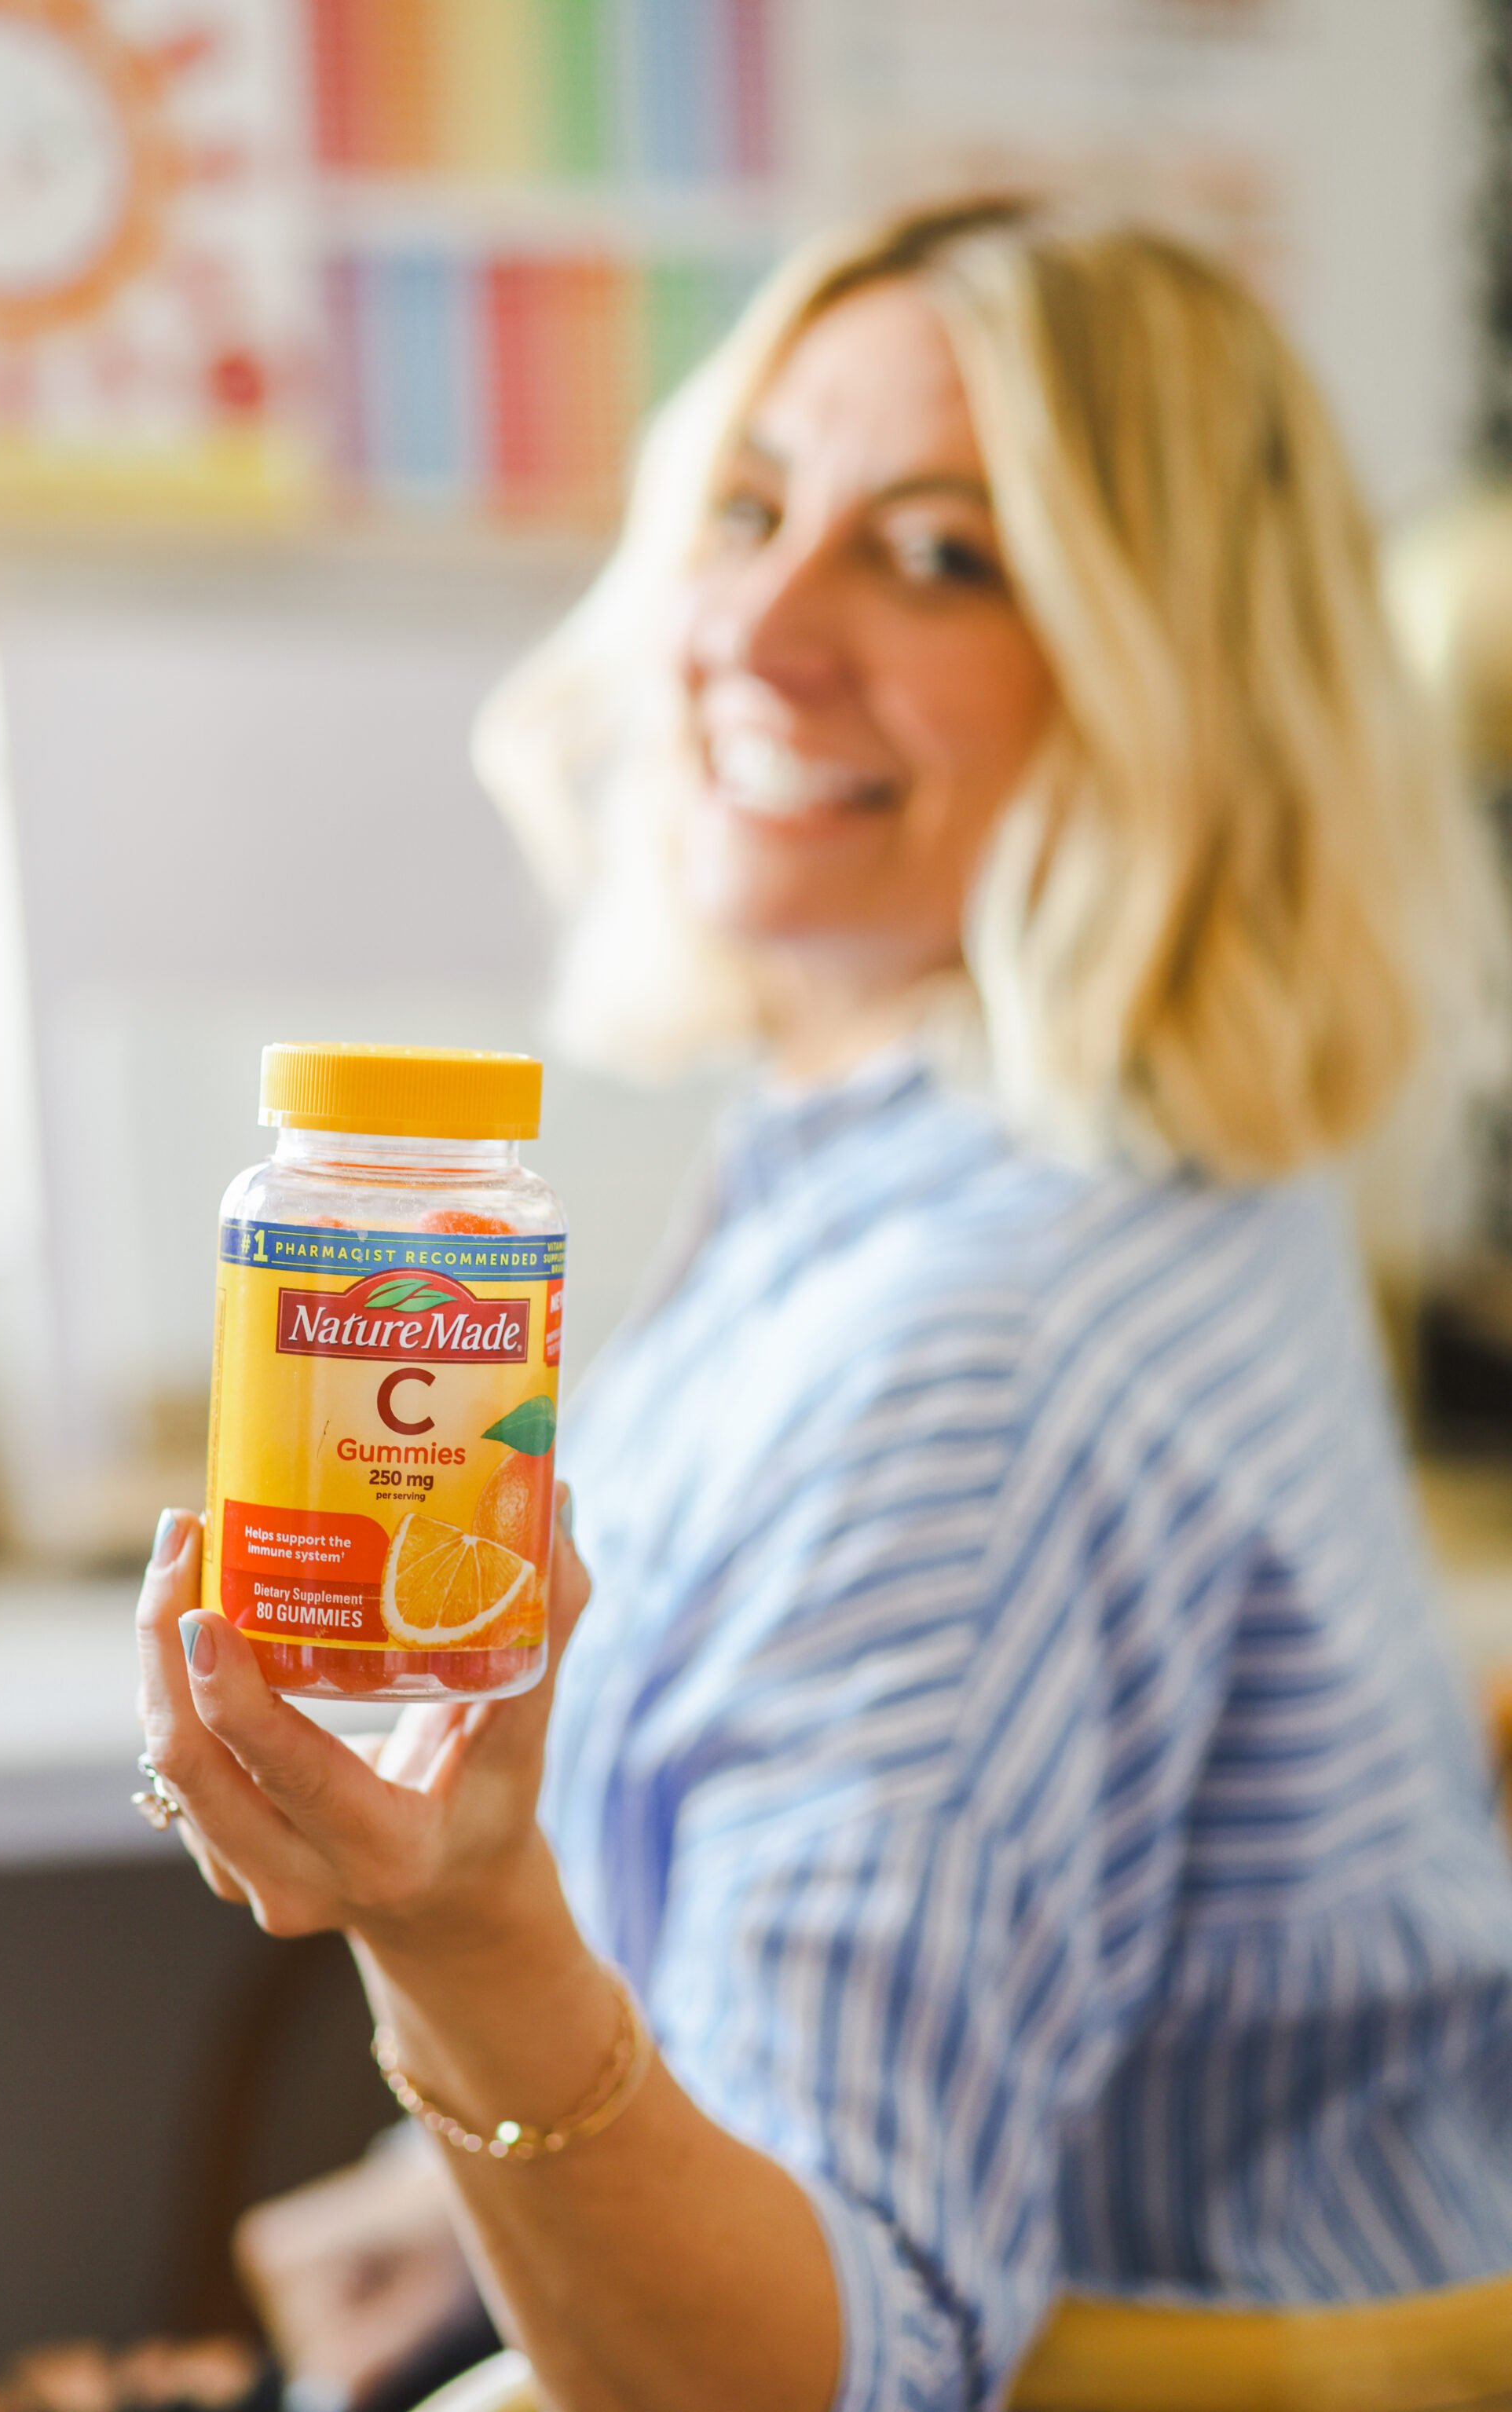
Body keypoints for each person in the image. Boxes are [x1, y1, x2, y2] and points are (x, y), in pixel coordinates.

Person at [137, 198, 1512, 2412]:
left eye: (944, 555)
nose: (757, 624)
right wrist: (451, 2196)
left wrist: (461, 1947)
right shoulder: (1022, 1160)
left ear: (1174, 685)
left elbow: (834, 2378)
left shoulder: (978, 1358)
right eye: (755, 510)